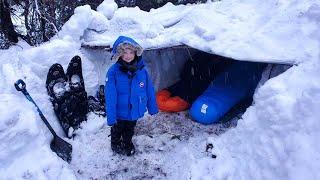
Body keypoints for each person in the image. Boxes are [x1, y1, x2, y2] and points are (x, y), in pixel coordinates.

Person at [105, 36, 158, 156]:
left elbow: (149, 89)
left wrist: (152, 107)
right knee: (117, 129)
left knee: (130, 129)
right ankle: (115, 143)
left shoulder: (142, 71)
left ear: (136, 53)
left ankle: (127, 143)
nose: (128, 55)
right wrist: (111, 116)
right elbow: (110, 95)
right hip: (119, 111)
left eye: (131, 52)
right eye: (124, 52)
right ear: (119, 54)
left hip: (134, 110)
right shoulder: (113, 72)